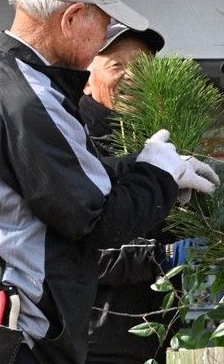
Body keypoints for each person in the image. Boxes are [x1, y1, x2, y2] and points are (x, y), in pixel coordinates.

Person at [0, 0, 220, 364]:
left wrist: (143, 165)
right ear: (73, 17)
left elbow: (64, 183)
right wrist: (157, 173)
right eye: (103, 23)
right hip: (5, 339)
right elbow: (97, 221)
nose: (104, 35)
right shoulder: (30, 97)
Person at [79, 22, 179, 364]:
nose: (133, 78)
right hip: (95, 344)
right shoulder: (73, 142)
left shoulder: (164, 143)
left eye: (143, 67)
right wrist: (160, 258)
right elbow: (73, 252)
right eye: (117, 66)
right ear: (88, 78)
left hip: (162, 341)